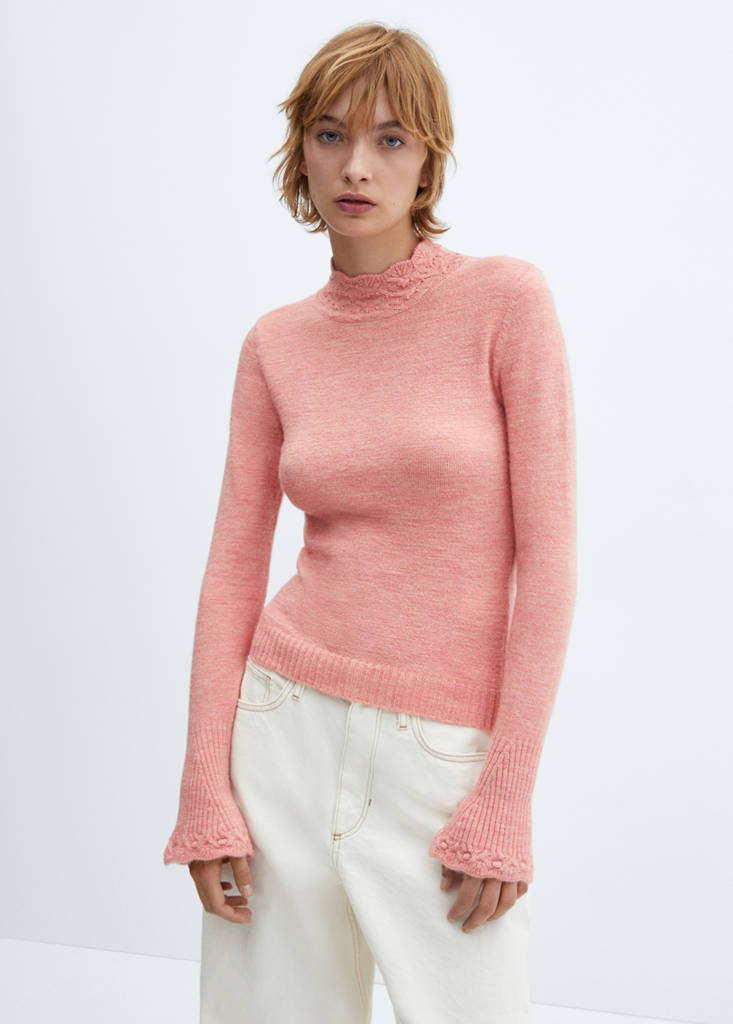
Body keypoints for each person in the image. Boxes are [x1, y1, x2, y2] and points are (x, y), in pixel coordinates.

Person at [163, 21, 577, 1024]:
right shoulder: (276, 345)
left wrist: (505, 794)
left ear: (429, 160)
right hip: (281, 729)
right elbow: (232, 568)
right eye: (331, 134)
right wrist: (205, 790)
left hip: (442, 754)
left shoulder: (504, 302)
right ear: (299, 152)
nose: (357, 165)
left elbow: (549, 560)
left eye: (391, 139)